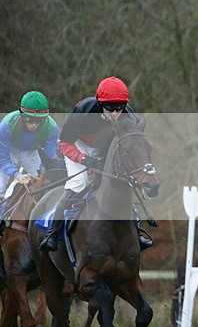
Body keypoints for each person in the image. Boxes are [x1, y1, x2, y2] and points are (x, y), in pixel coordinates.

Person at [39, 76, 153, 252]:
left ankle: (136, 231)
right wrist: (83, 159)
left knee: (123, 182)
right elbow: (64, 144)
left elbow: (130, 142)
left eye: (119, 108)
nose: (115, 113)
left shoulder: (129, 115)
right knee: (79, 183)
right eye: (111, 108)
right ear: (100, 103)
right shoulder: (83, 110)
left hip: (104, 148)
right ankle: (52, 234)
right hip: (77, 146)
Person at [0, 91, 59, 199]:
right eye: (30, 119)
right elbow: (3, 159)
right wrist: (17, 175)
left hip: (33, 153)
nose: (34, 125)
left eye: (39, 120)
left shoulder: (52, 128)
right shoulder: (6, 124)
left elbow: (48, 160)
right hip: (10, 152)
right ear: (21, 114)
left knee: (43, 183)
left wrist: (41, 174)